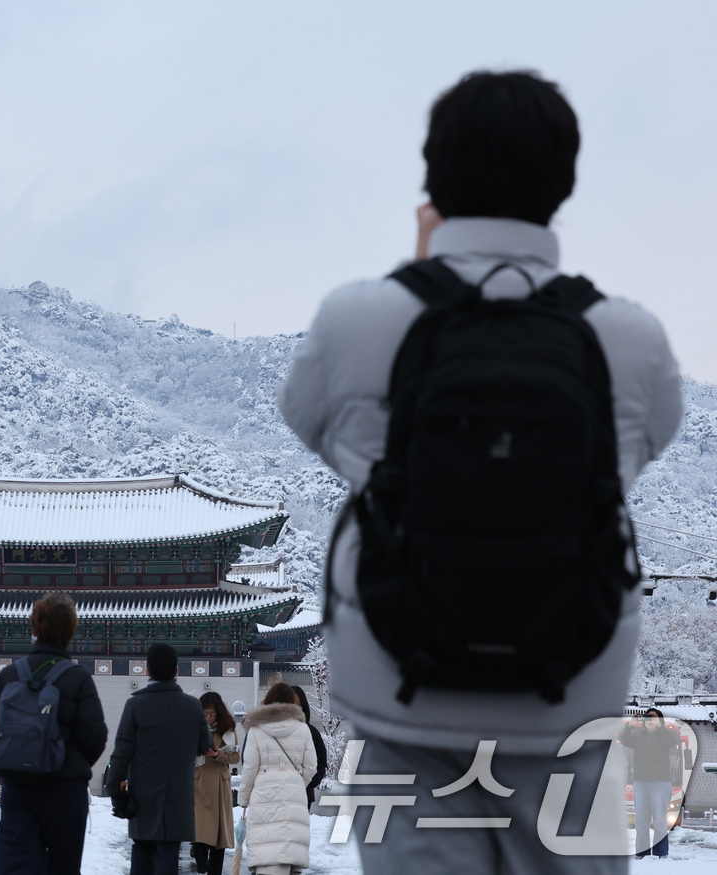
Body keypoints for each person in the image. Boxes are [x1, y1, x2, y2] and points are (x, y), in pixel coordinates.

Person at [278, 70, 683, 875]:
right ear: (563, 181)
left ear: (432, 176)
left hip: (404, 698)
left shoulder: (360, 319)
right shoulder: (629, 340)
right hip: (567, 697)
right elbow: (636, 453)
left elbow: (318, 426)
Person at [0, 592, 107, 875]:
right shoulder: (78, 678)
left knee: (17, 866)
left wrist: (12, 757)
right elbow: (94, 737)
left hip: (18, 789)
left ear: (34, 628)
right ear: (71, 631)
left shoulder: (11, 674)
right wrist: (68, 763)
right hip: (65, 792)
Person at [106, 642, 212, 875]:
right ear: (176, 671)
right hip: (178, 796)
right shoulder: (193, 706)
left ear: (147, 671)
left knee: (142, 850)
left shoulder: (135, 705)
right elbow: (204, 747)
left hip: (143, 796)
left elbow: (121, 751)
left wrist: (114, 786)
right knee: (169, 852)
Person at [239, 683, 318, 875]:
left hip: (264, 792)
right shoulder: (303, 729)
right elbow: (311, 767)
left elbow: (249, 768)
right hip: (295, 793)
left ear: (268, 701)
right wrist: (296, 782)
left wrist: (243, 798)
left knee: (267, 844)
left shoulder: (257, 730)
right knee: (291, 845)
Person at [621, 708, 681, 859]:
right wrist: (630, 725)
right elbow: (624, 740)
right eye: (648, 718)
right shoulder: (637, 736)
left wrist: (661, 727)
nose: (650, 721)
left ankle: (661, 853)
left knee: (660, 821)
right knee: (641, 822)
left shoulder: (665, 735)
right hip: (640, 784)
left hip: (660, 784)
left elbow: (673, 741)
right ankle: (642, 853)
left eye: (653, 718)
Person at [192, 692, 240, 875]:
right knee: (200, 830)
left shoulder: (228, 730)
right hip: (198, 781)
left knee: (220, 834)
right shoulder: (192, 728)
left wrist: (218, 754)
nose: (208, 717)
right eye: (205, 712)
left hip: (219, 783)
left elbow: (235, 757)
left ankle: (215, 870)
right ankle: (201, 861)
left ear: (219, 712)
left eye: (212, 713)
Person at [289, 686, 327, 807]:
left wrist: (312, 781)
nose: (296, 707)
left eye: (299, 703)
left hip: (304, 794)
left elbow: (321, 760)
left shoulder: (311, 732)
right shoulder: (274, 731)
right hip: (278, 795)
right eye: (292, 703)